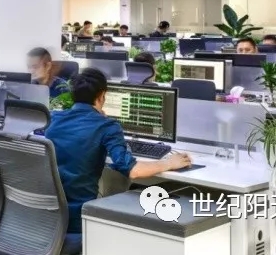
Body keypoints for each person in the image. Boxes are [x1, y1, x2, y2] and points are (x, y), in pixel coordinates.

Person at [45, 68, 191, 238]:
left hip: (47, 218)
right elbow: (134, 171)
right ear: (102, 96)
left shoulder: (53, 119)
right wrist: (169, 163)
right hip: (80, 219)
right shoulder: (106, 126)